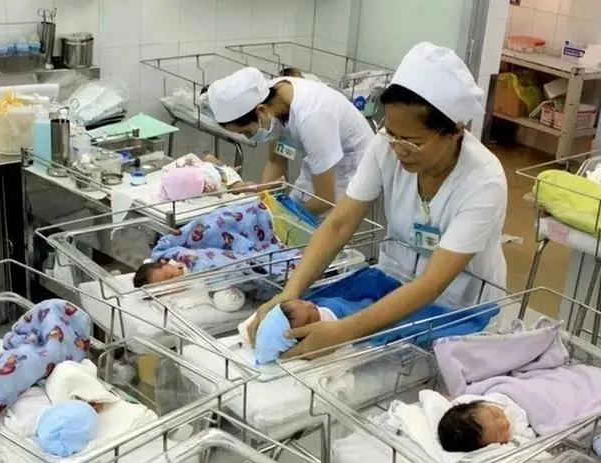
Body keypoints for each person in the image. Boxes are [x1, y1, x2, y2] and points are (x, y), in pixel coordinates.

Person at [245, 42, 508, 358]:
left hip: (456, 302)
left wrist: (342, 332)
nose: (397, 149)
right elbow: (339, 224)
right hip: (390, 276)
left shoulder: (483, 180)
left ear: (455, 131)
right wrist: (288, 295)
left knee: (358, 342)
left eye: (412, 142)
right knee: (314, 313)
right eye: (392, 134)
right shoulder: (386, 146)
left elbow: (431, 285)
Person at [207, 66, 374, 215]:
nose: (248, 137)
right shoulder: (272, 98)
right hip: (320, 160)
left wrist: (286, 219)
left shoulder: (311, 118)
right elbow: (276, 161)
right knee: (294, 204)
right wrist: (262, 200)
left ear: (261, 111)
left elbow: (325, 199)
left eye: (246, 132)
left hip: (352, 166)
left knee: (323, 231)